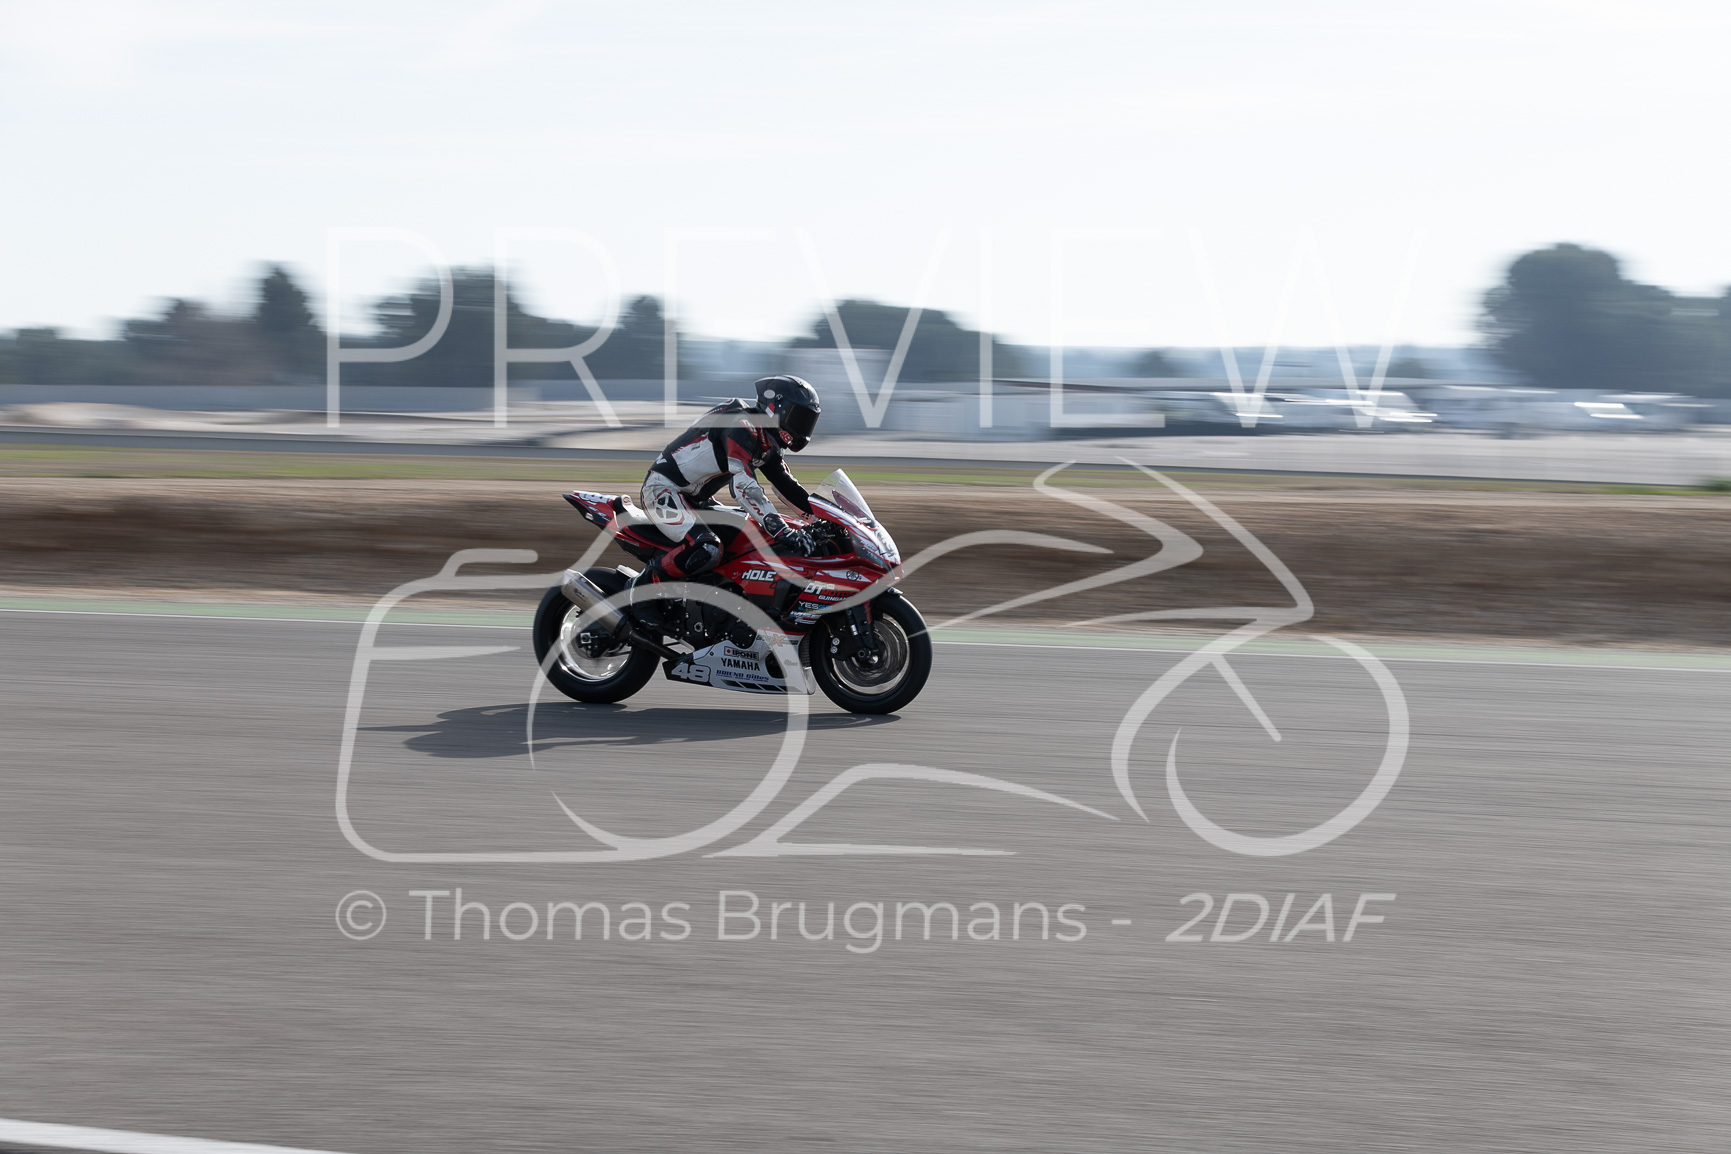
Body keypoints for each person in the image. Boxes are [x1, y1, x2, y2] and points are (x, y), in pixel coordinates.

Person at [624, 375, 822, 623]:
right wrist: (781, 530)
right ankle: (641, 590)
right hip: (663, 491)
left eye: (808, 420)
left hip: (695, 500)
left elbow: (786, 486)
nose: (803, 426)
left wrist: (824, 518)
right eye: (799, 417)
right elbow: (743, 486)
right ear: (776, 408)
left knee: (748, 534)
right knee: (707, 547)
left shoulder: (765, 439)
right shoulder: (740, 424)